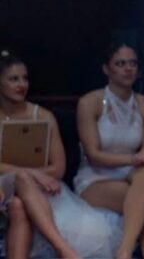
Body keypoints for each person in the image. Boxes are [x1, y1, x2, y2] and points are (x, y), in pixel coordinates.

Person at [74, 41, 144, 259]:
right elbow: (93, 155)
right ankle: (126, 252)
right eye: (121, 64)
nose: (128, 69)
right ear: (107, 69)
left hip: (132, 178)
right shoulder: (90, 102)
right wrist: (134, 159)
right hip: (95, 179)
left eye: (133, 63)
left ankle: (124, 251)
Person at [0, 50, 82, 259]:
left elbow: (59, 168)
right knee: (22, 177)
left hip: (37, 188)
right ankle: (62, 248)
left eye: (25, 78)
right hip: (3, 184)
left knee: (18, 206)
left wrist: (34, 177)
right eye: (14, 79)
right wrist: (33, 173)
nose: (22, 85)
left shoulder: (44, 116)